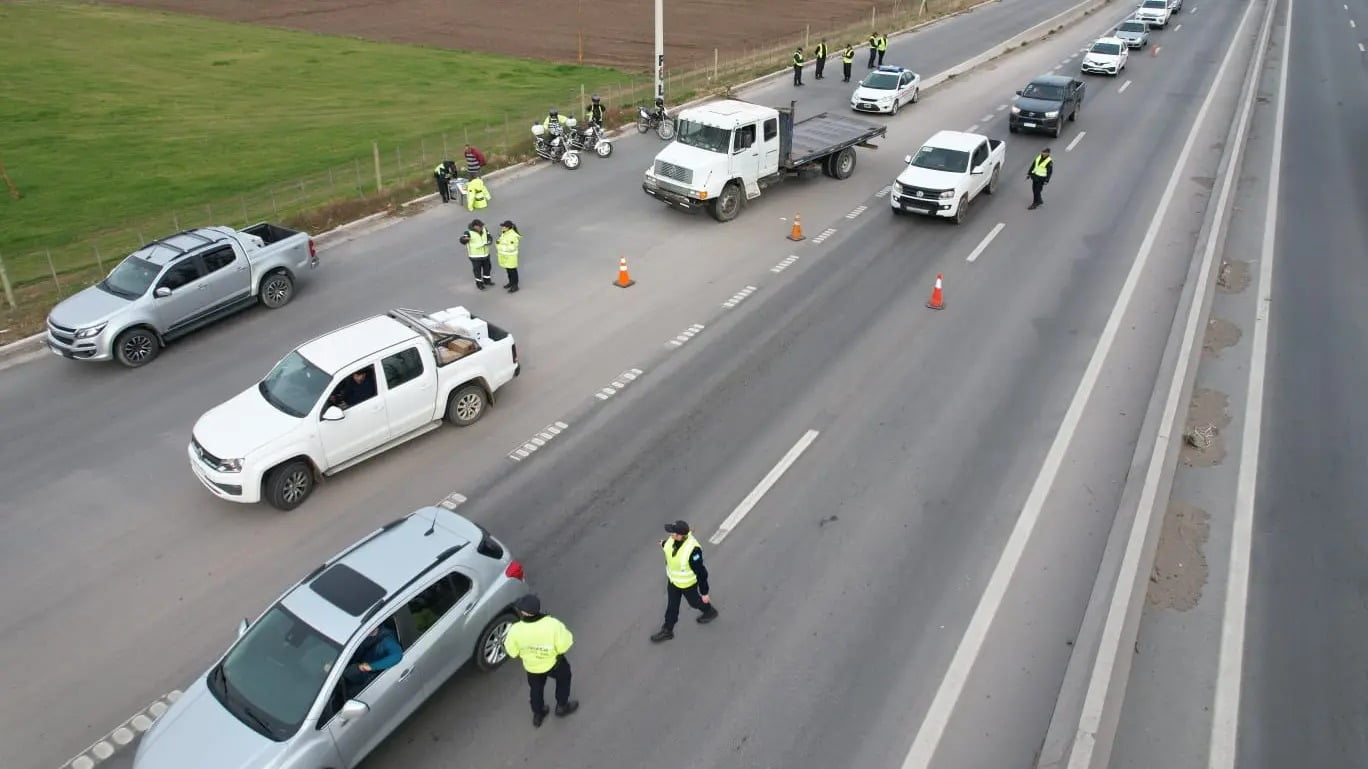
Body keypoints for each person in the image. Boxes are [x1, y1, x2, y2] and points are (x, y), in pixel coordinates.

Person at [504, 594, 578, 727]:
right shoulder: (552, 624)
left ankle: (538, 714)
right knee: (564, 680)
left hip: (532, 667)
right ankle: (562, 706)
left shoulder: (515, 630)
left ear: (524, 613)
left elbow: (512, 652)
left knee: (536, 690)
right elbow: (565, 644)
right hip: (554, 664)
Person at [650, 520, 719, 643]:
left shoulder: (693, 551)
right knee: (672, 606)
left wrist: (705, 593)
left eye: (673, 533)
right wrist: (663, 544)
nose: (671, 535)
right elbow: (670, 546)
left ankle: (709, 611)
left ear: (680, 536)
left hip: (688, 585)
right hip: (673, 582)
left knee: (694, 602)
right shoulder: (673, 540)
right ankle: (667, 630)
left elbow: (702, 573)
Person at [341, 624, 402, 692]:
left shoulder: (386, 640)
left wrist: (371, 666)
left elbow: (397, 655)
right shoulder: (360, 634)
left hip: (370, 672)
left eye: (372, 625)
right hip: (355, 663)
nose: (370, 627)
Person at [460, 219, 494, 289]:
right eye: (480, 226)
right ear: (474, 226)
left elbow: (489, 236)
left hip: (485, 254)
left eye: (482, 226)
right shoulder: (468, 233)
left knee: (487, 268)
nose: (481, 227)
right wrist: (464, 239)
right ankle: (479, 284)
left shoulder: (484, 229)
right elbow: (462, 240)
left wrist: (490, 241)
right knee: (477, 271)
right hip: (475, 256)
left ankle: (487, 281)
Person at [496, 220, 521, 293]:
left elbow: (512, 247)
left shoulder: (512, 235)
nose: (502, 227)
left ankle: (515, 286)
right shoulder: (505, 233)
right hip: (505, 257)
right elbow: (500, 241)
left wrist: (500, 247)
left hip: (510, 257)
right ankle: (511, 283)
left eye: (504, 226)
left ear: (508, 228)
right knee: (509, 272)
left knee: (513, 272)